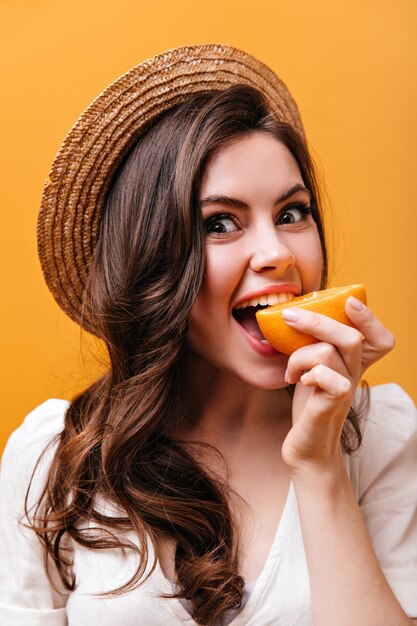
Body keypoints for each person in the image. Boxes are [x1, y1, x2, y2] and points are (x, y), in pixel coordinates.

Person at [0, 44, 416, 626]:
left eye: (293, 213)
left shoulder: (380, 438)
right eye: (219, 223)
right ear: (154, 263)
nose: (276, 254)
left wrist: (319, 467)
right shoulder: (54, 459)